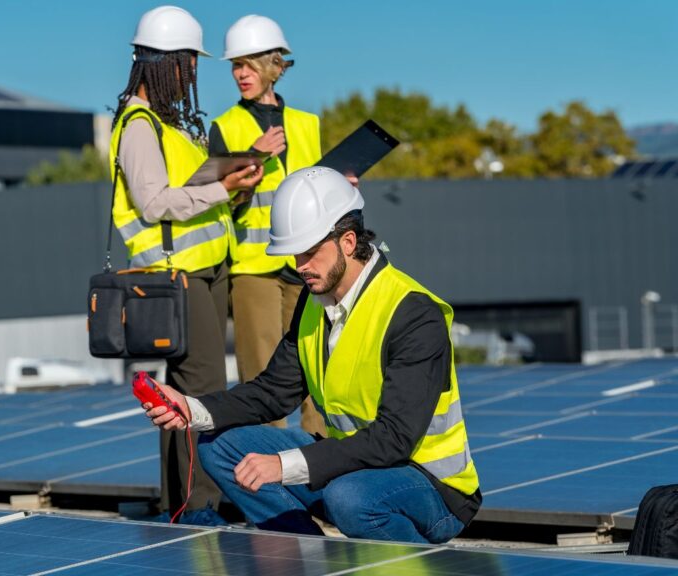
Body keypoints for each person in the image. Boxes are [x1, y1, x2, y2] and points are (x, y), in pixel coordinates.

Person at [141, 166, 481, 543]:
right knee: (220, 446)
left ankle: (416, 565)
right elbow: (273, 392)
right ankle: (308, 558)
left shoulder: (413, 313)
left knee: (349, 498)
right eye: (294, 254)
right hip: (354, 464)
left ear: (348, 242)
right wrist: (192, 409)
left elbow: (394, 438)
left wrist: (285, 466)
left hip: (428, 484)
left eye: (309, 252)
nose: (300, 267)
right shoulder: (314, 302)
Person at [110, 6, 263, 523]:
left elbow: (187, 193)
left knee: (186, 393)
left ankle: (183, 502)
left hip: (203, 270)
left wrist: (231, 188)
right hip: (176, 276)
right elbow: (154, 203)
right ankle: (199, 507)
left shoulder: (169, 124)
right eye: (187, 64)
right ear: (162, 62)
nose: (192, 75)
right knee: (201, 392)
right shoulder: (137, 125)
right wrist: (222, 187)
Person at [208, 15, 327, 435]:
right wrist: (250, 156)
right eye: (234, 66)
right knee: (261, 378)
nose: (240, 74)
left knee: (317, 368)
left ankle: (320, 467)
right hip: (253, 268)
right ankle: (266, 479)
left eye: (248, 64)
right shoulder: (225, 127)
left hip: (306, 263)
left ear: (275, 65)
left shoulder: (308, 125)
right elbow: (221, 199)